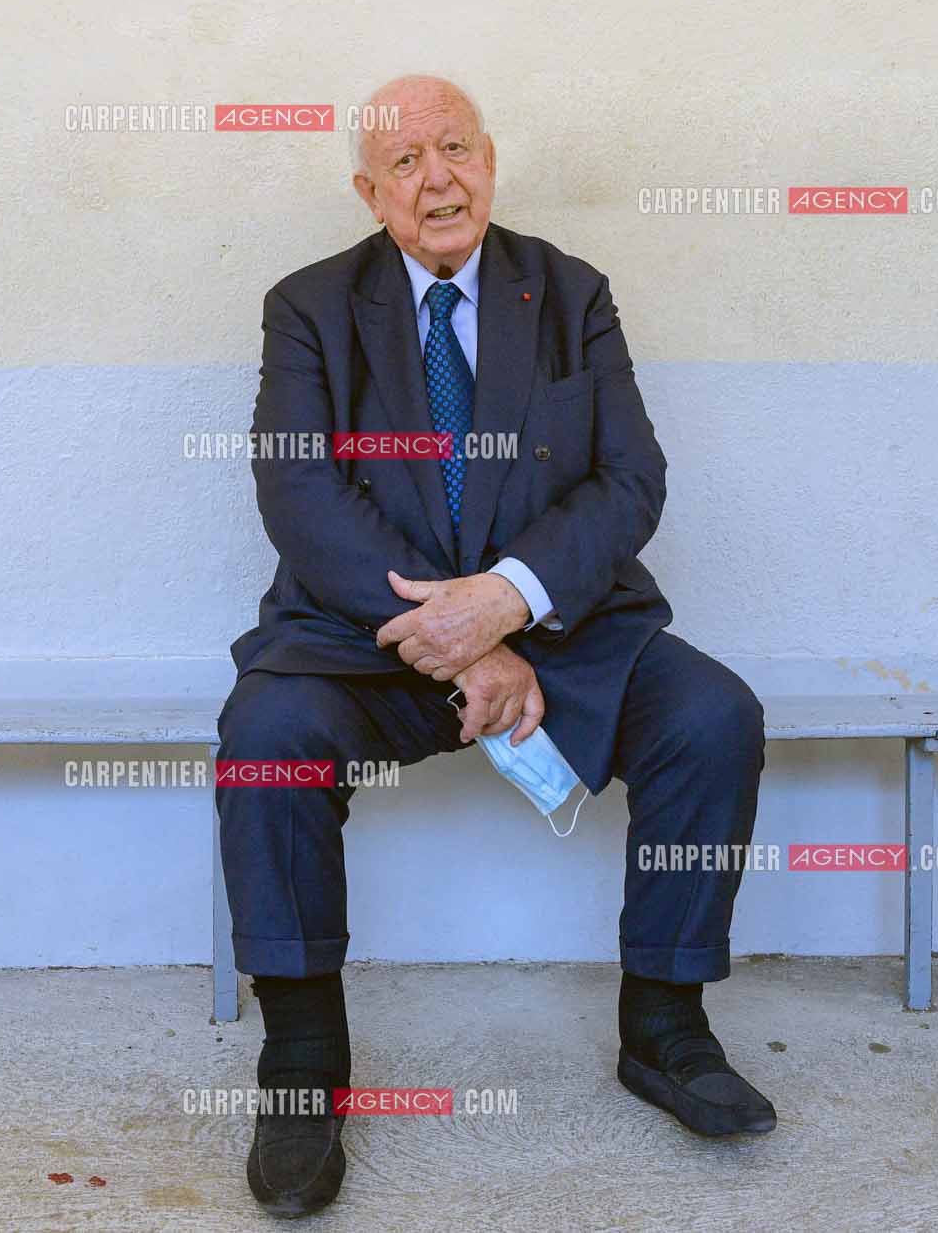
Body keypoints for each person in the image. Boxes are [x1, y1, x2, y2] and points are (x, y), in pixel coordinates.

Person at [220, 74, 773, 1217]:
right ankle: (302, 1065)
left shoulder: (568, 294)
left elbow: (630, 481)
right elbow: (298, 494)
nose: (438, 180)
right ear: (370, 192)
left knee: (712, 716)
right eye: (408, 162)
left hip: (559, 630)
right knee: (265, 735)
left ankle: (664, 1027)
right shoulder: (308, 307)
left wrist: (508, 605)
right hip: (368, 640)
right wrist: (457, 637)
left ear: (489, 159)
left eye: (456, 150)